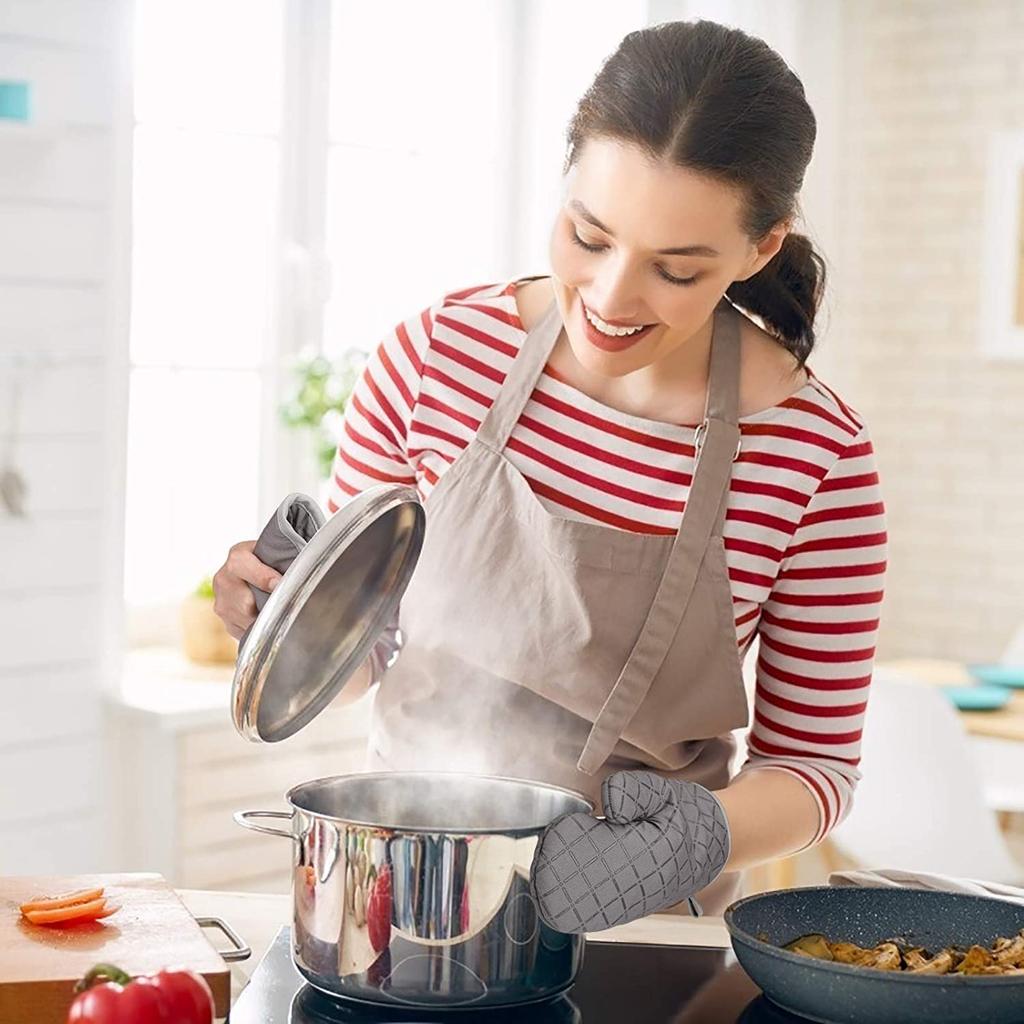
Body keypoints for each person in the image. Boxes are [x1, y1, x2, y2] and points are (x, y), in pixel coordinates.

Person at [214, 20, 887, 925]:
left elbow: (815, 770)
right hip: (404, 898)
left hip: (641, 921)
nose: (610, 300)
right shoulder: (437, 356)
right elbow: (365, 656)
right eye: (588, 234)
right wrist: (284, 618)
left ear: (761, 250)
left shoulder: (818, 458)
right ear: (564, 181)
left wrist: (692, 838)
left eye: (676, 270)